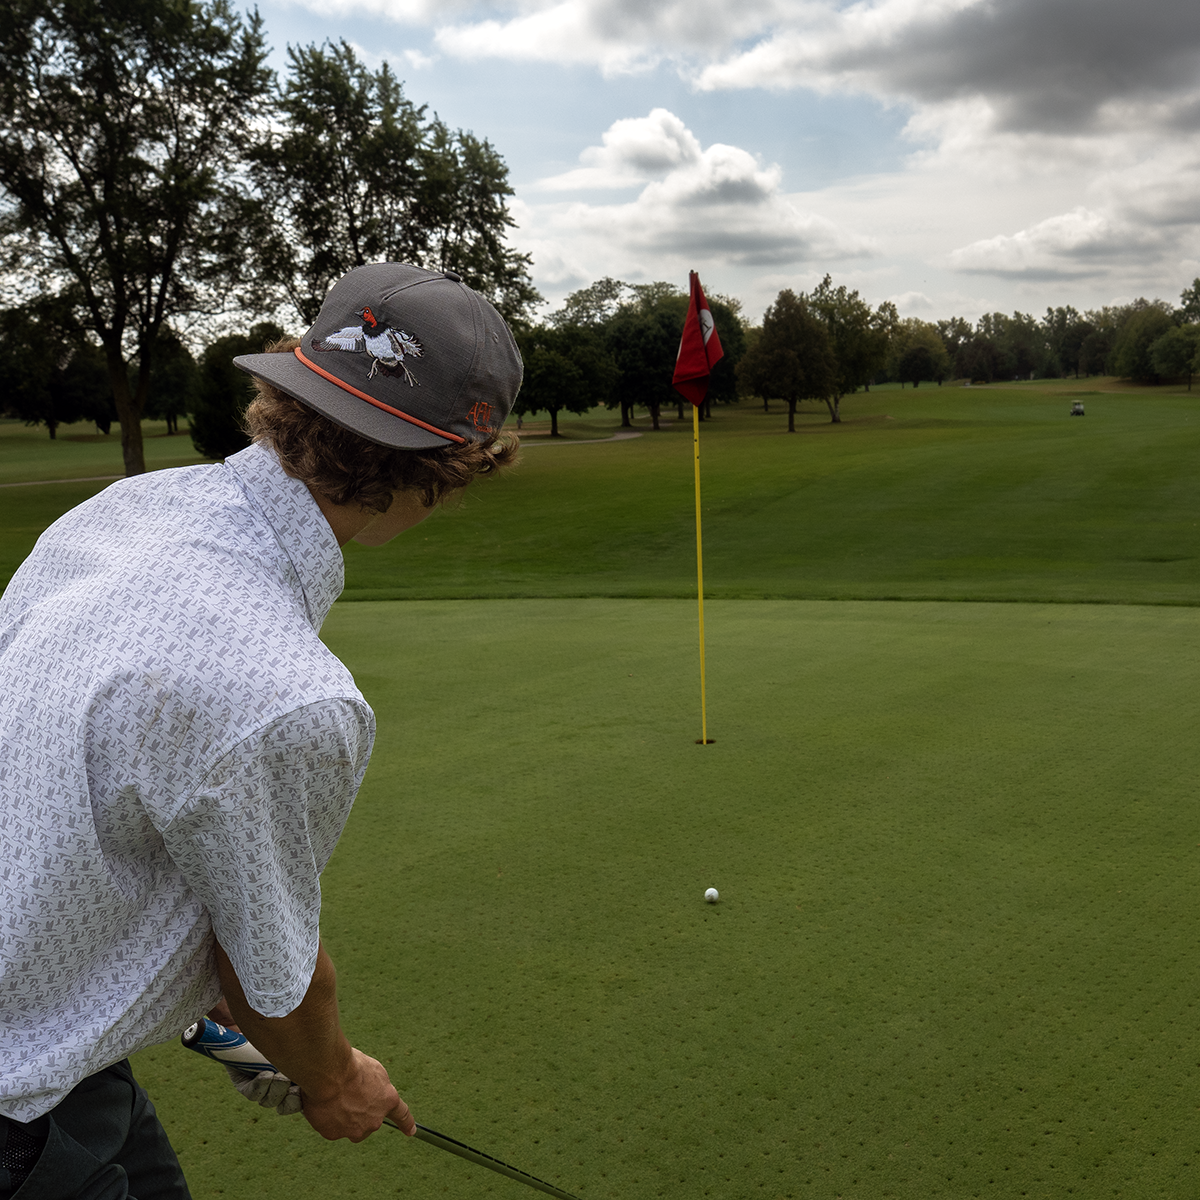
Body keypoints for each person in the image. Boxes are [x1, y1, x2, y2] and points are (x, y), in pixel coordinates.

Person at [0, 262, 523, 1199]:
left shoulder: (122, 511)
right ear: (440, 474)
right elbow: (272, 982)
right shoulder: (292, 698)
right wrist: (334, 1079)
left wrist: (187, 1000)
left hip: (58, 1052)